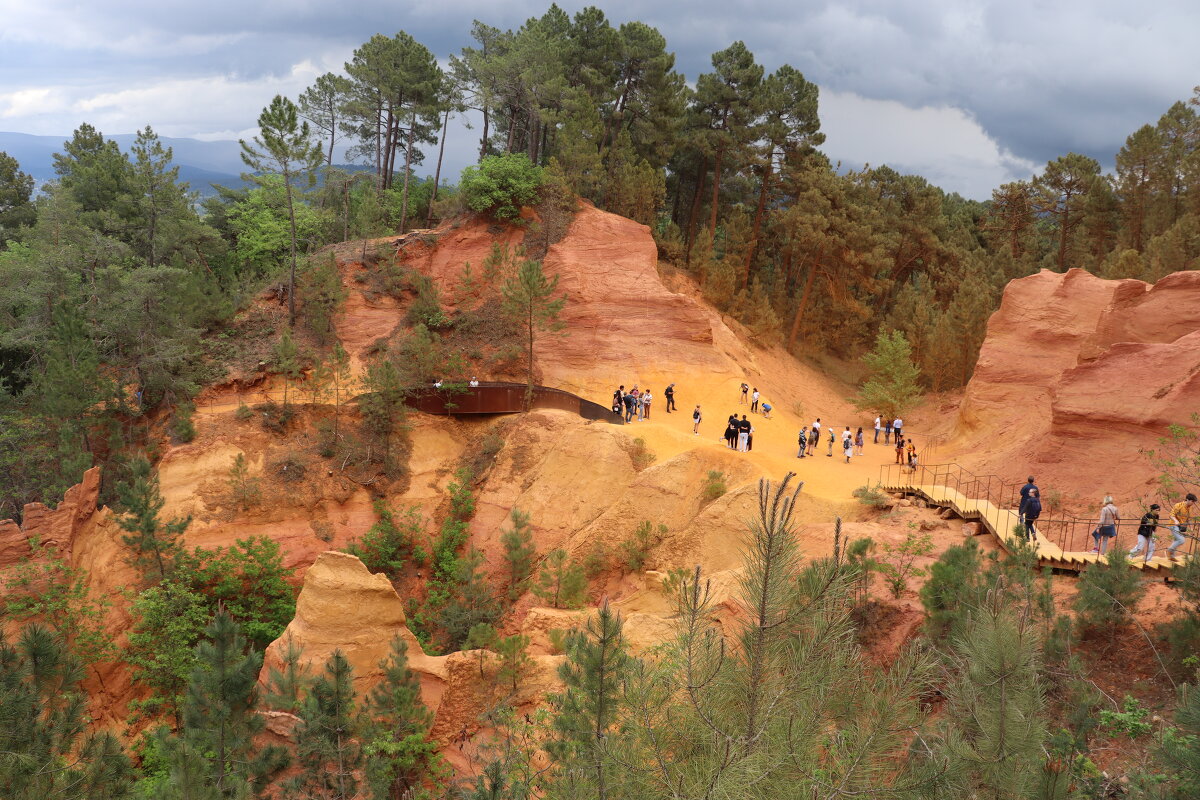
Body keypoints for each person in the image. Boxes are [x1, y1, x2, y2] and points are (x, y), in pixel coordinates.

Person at [1168, 493, 1197, 561]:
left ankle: (1171, 557)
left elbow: (1189, 519)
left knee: (1176, 540)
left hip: (1181, 526)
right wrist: (1175, 521)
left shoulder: (1189, 508)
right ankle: (1169, 550)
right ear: (1187, 500)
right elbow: (1171, 515)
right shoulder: (1178, 505)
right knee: (1181, 540)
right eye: (1192, 501)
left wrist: (1191, 529)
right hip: (1173, 525)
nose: (1193, 503)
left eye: (1194, 502)